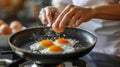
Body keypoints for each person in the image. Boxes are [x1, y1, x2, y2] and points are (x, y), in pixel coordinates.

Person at [39, 0, 120, 55]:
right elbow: (64, 2)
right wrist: (56, 11)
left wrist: (93, 10)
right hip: (81, 47)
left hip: (113, 50)